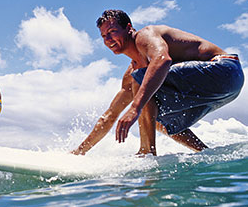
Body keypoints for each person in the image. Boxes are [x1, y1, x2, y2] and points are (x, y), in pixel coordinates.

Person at [72, 9, 244, 156]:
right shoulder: (133, 73)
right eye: (104, 36)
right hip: (225, 90)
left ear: (129, 28)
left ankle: (146, 153)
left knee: (142, 83)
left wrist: (135, 108)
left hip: (225, 70)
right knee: (154, 119)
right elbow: (109, 116)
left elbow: (162, 60)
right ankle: (204, 152)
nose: (108, 39)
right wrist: (79, 154)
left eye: (112, 32)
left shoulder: (145, 36)